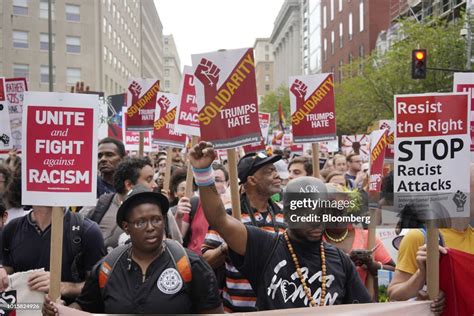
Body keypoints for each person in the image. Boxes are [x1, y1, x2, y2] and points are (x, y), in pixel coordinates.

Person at [189, 142, 371, 310]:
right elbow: (219, 218)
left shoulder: (340, 260)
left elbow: (364, 309)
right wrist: (204, 172)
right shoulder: (265, 247)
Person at [43, 186, 223, 314]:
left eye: (156, 219)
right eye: (140, 222)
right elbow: (84, 308)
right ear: (126, 227)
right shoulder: (107, 267)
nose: (151, 227)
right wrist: (58, 310)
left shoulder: (190, 264)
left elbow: (213, 312)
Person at [201, 151, 287, 312]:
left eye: (275, 170)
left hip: (277, 309)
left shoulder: (286, 215)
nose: (277, 175)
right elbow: (205, 261)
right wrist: (228, 247)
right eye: (269, 171)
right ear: (252, 180)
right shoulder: (228, 216)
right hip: (237, 310)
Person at [0, 206, 106, 302]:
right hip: (23, 309)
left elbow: (99, 286)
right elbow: (7, 273)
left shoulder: (87, 230)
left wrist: (63, 287)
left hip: (68, 310)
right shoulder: (12, 228)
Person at [81, 157, 182, 252]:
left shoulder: (162, 210)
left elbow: (177, 244)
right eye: (148, 179)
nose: (154, 185)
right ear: (129, 185)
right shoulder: (96, 208)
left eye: (156, 220)